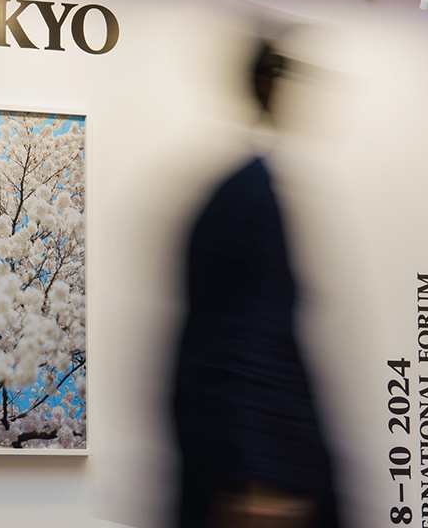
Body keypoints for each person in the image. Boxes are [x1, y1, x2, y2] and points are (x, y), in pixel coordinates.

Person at [171, 39, 342, 528]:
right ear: (269, 86)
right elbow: (238, 343)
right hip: (260, 478)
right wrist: (253, 475)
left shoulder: (243, 189)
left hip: (259, 464)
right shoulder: (248, 196)